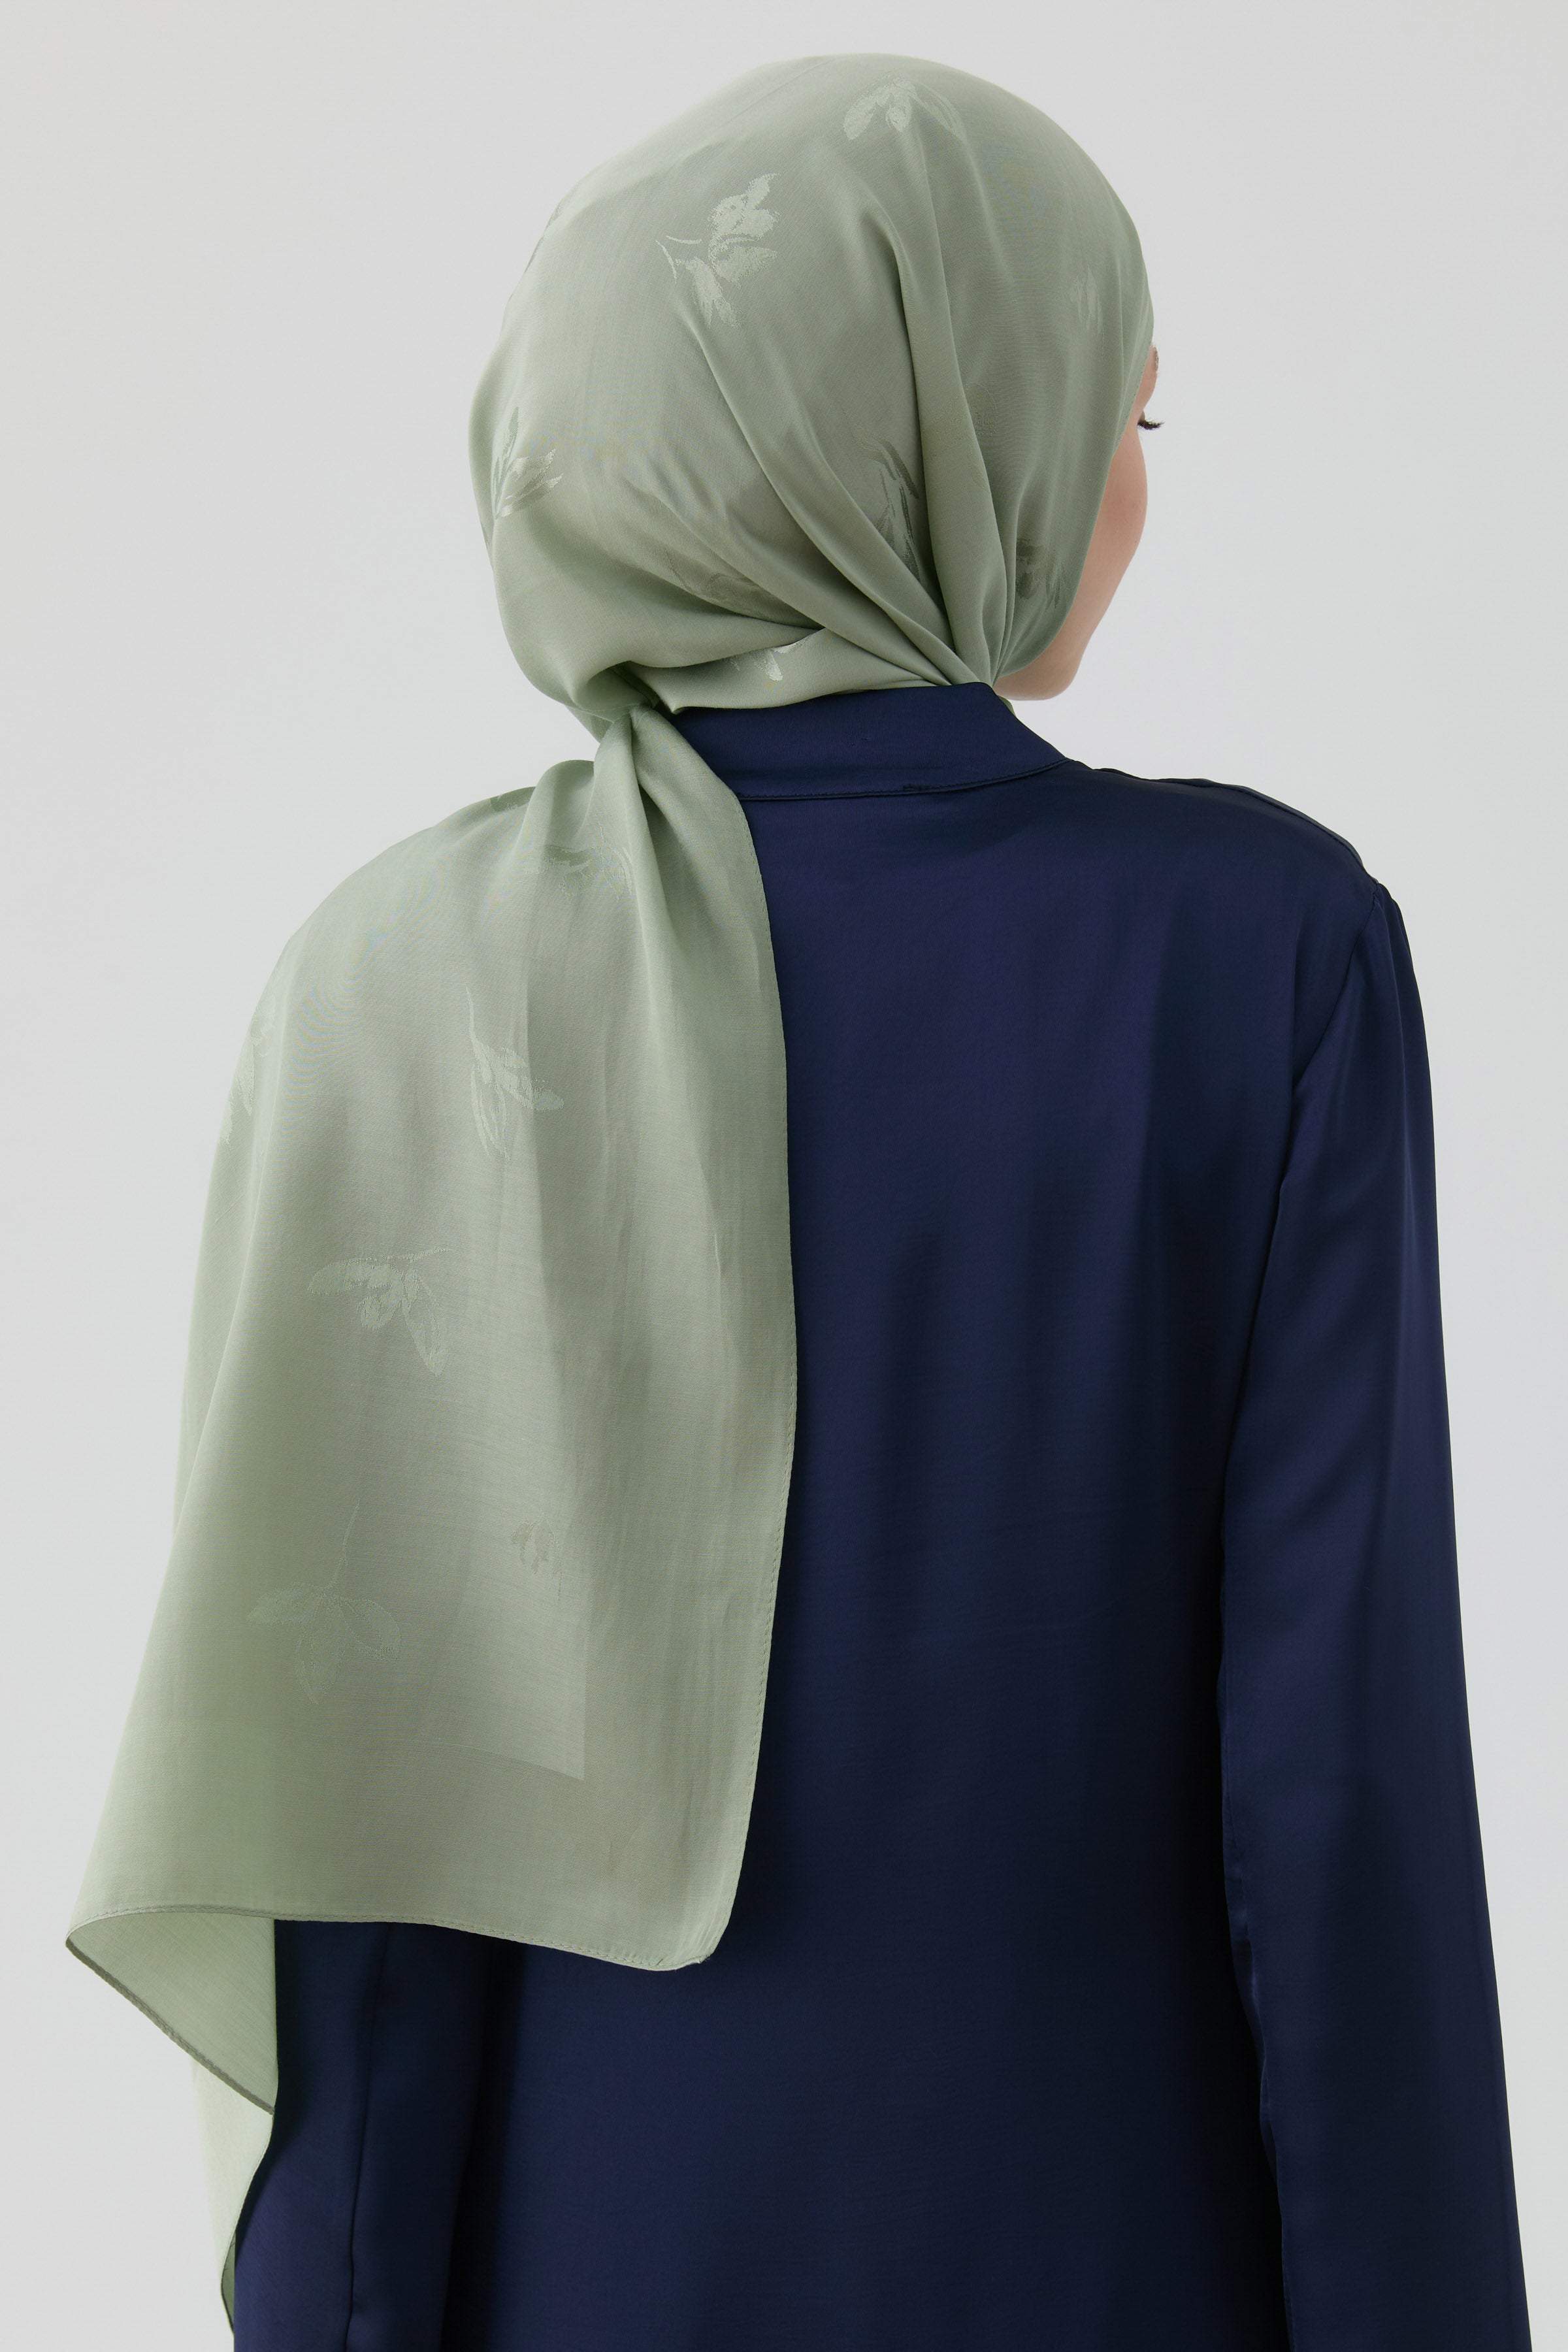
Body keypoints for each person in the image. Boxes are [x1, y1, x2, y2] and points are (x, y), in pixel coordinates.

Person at [69, 53, 1531, 2351]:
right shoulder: (1261, 953)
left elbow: (363, 1881)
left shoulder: (404, 980)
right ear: (947, 432)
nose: (1127, 485)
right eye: (1120, 409)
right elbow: (1336, 1811)